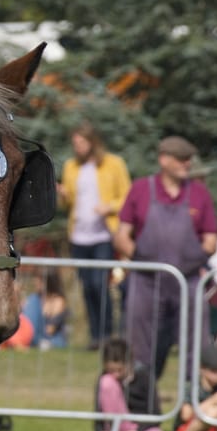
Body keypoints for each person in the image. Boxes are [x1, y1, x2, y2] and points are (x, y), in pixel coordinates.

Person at [113, 135, 217, 416]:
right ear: (164, 160)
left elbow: (210, 239)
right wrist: (142, 258)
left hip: (189, 283)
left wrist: (196, 256)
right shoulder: (141, 190)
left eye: (189, 160)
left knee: (195, 348)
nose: (187, 164)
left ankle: (190, 412)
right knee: (141, 350)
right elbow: (122, 235)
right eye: (182, 159)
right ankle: (140, 412)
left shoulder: (199, 194)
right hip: (147, 282)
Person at [57, 121, 130, 349]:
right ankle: (95, 336)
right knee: (87, 286)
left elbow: (128, 197)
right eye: (75, 143)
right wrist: (63, 194)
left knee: (100, 284)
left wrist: (109, 207)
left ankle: (107, 334)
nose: (78, 147)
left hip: (103, 235)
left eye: (82, 142)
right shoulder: (71, 166)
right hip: (79, 235)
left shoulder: (113, 164)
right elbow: (67, 204)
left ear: (92, 142)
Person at [95, 337, 167, 431]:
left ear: (129, 363)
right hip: (113, 427)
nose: (115, 375)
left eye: (119, 370)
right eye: (111, 370)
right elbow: (98, 411)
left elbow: (156, 413)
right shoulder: (105, 378)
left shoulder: (144, 376)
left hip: (139, 428)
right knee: (107, 382)